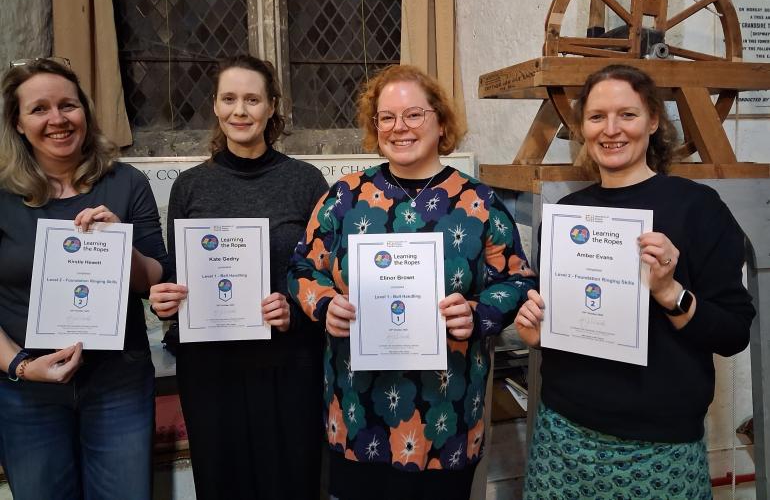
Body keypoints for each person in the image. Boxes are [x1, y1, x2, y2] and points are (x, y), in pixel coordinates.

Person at [288, 64, 537, 500]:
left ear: (440, 121)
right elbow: (303, 270)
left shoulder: (478, 201)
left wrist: (479, 313)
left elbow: (517, 277)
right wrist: (326, 304)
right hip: (358, 410)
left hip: (448, 410)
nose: (399, 127)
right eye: (387, 117)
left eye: (413, 115)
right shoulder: (344, 197)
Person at [514, 64, 756, 499]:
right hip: (564, 433)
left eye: (627, 114)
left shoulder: (698, 208)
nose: (611, 130)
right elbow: (571, 317)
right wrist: (539, 333)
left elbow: (734, 332)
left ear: (653, 121)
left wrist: (669, 292)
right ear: (583, 127)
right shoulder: (569, 213)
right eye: (597, 117)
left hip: (659, 445)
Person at [148, 55, 328, 500]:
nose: (240, 111)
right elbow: (177, 274)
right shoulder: (190, 186)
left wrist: (293, 311)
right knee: (222, 484)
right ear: (215, 106)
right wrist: (165, 300)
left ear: (271, 107)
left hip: (288, 365)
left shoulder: (306, 182)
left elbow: (324, 276)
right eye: (229, 99)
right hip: (212, 370)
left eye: (252, 99)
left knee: (291, 483)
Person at [0, 58, 169, 500]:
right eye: (39, 109)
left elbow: (154, 278)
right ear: (17, 122)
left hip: (118, 383)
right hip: (27, 389)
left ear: (85, 113)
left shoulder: (126, 182)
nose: (57, 119)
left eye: (68, 105)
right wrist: (20, 366)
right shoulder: (1, 196)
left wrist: (121, 246)